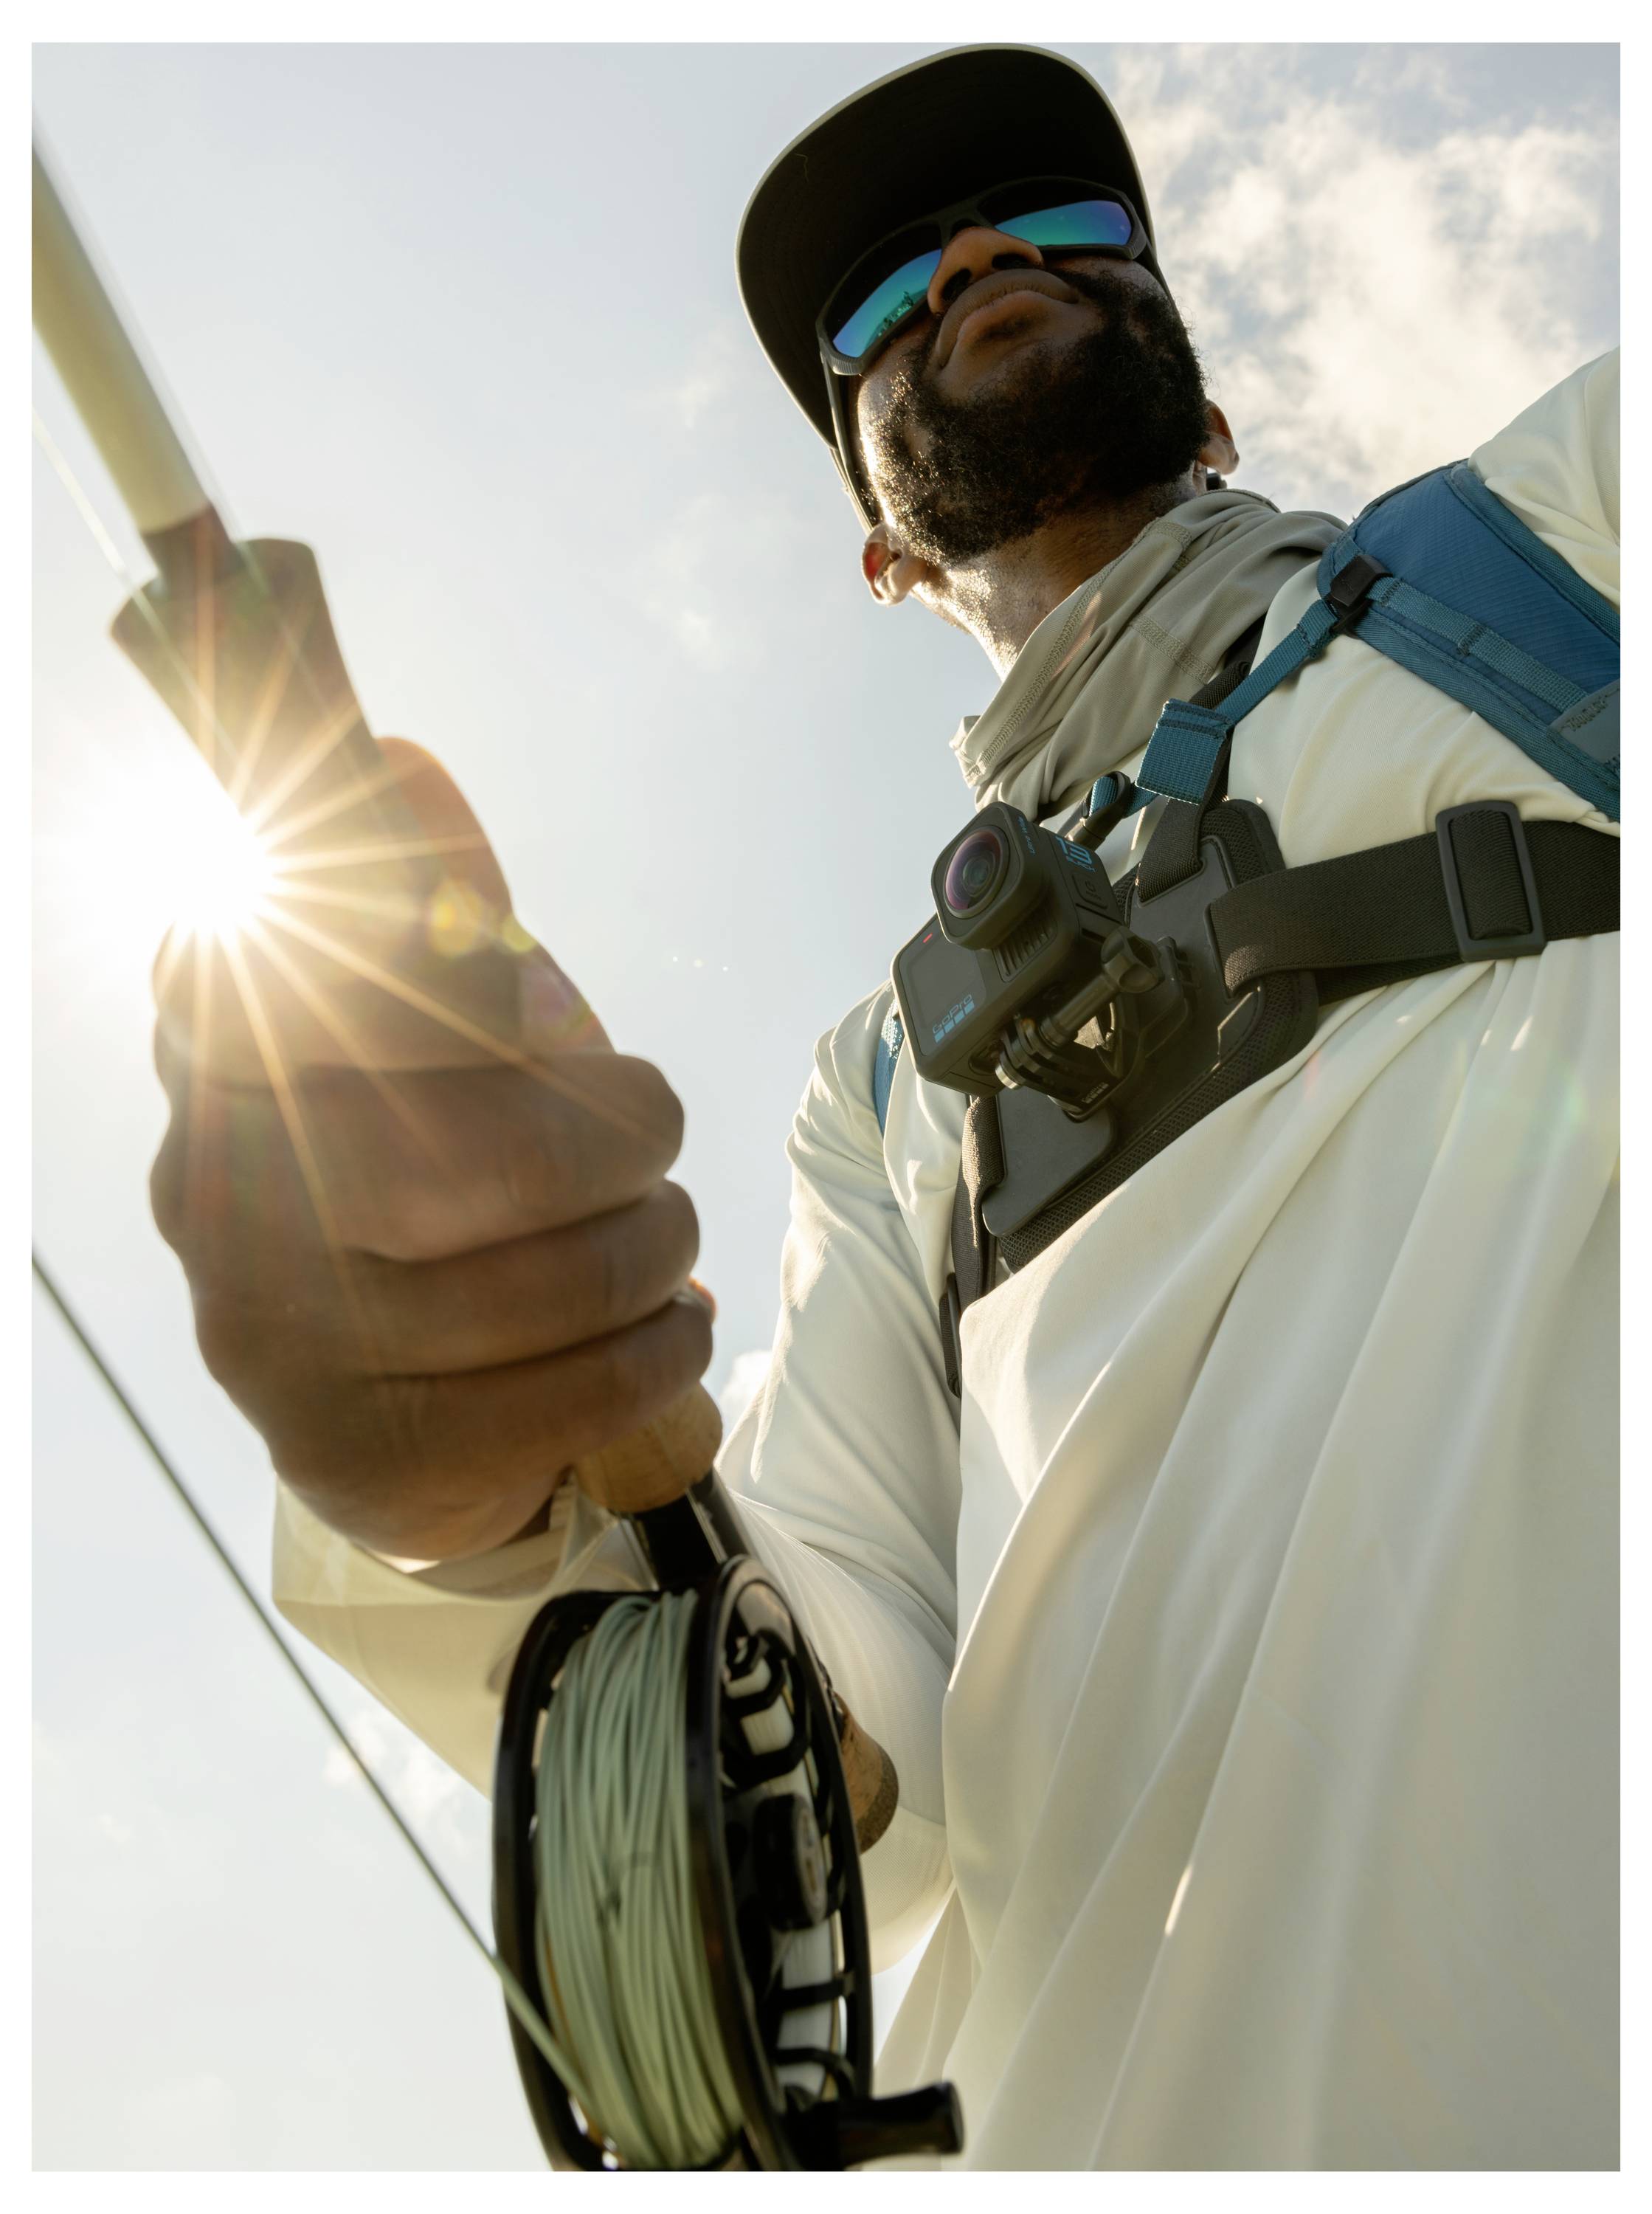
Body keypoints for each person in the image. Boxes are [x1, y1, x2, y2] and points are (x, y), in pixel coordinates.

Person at [148, 46, 1619, 2168]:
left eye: (1060, 230)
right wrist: (490, 1495)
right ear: (874, 549)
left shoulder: (1567, 531)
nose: (981, 258)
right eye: (886, 305)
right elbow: (836, 1759)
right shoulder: (877, 1083)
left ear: (1208, 404)